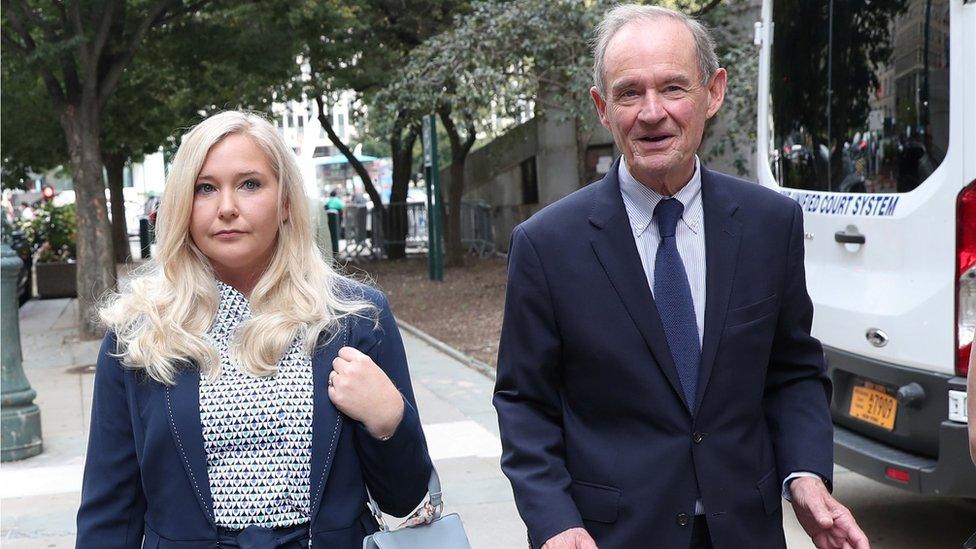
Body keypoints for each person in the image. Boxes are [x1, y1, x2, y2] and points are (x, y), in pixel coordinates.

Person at [493, 6, 869, 549]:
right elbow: (525, 403)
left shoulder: (771, 224)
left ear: (712, 93)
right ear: (602, 107)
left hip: (746, 530)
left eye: (673, 87)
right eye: (628, 93)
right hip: (610, 537)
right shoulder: (546, 246)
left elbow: (792, 371)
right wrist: (555, 521)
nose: (652, 113)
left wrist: (805, 475)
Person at [76, 111, 432, 548]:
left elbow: (405, 498)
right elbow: (110, 508)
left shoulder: (353, 318)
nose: (227, 207)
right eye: (205, 188)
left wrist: (388, 419)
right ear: (182, 207)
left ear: (285, 202)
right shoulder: (140, 332)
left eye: (250, 184)